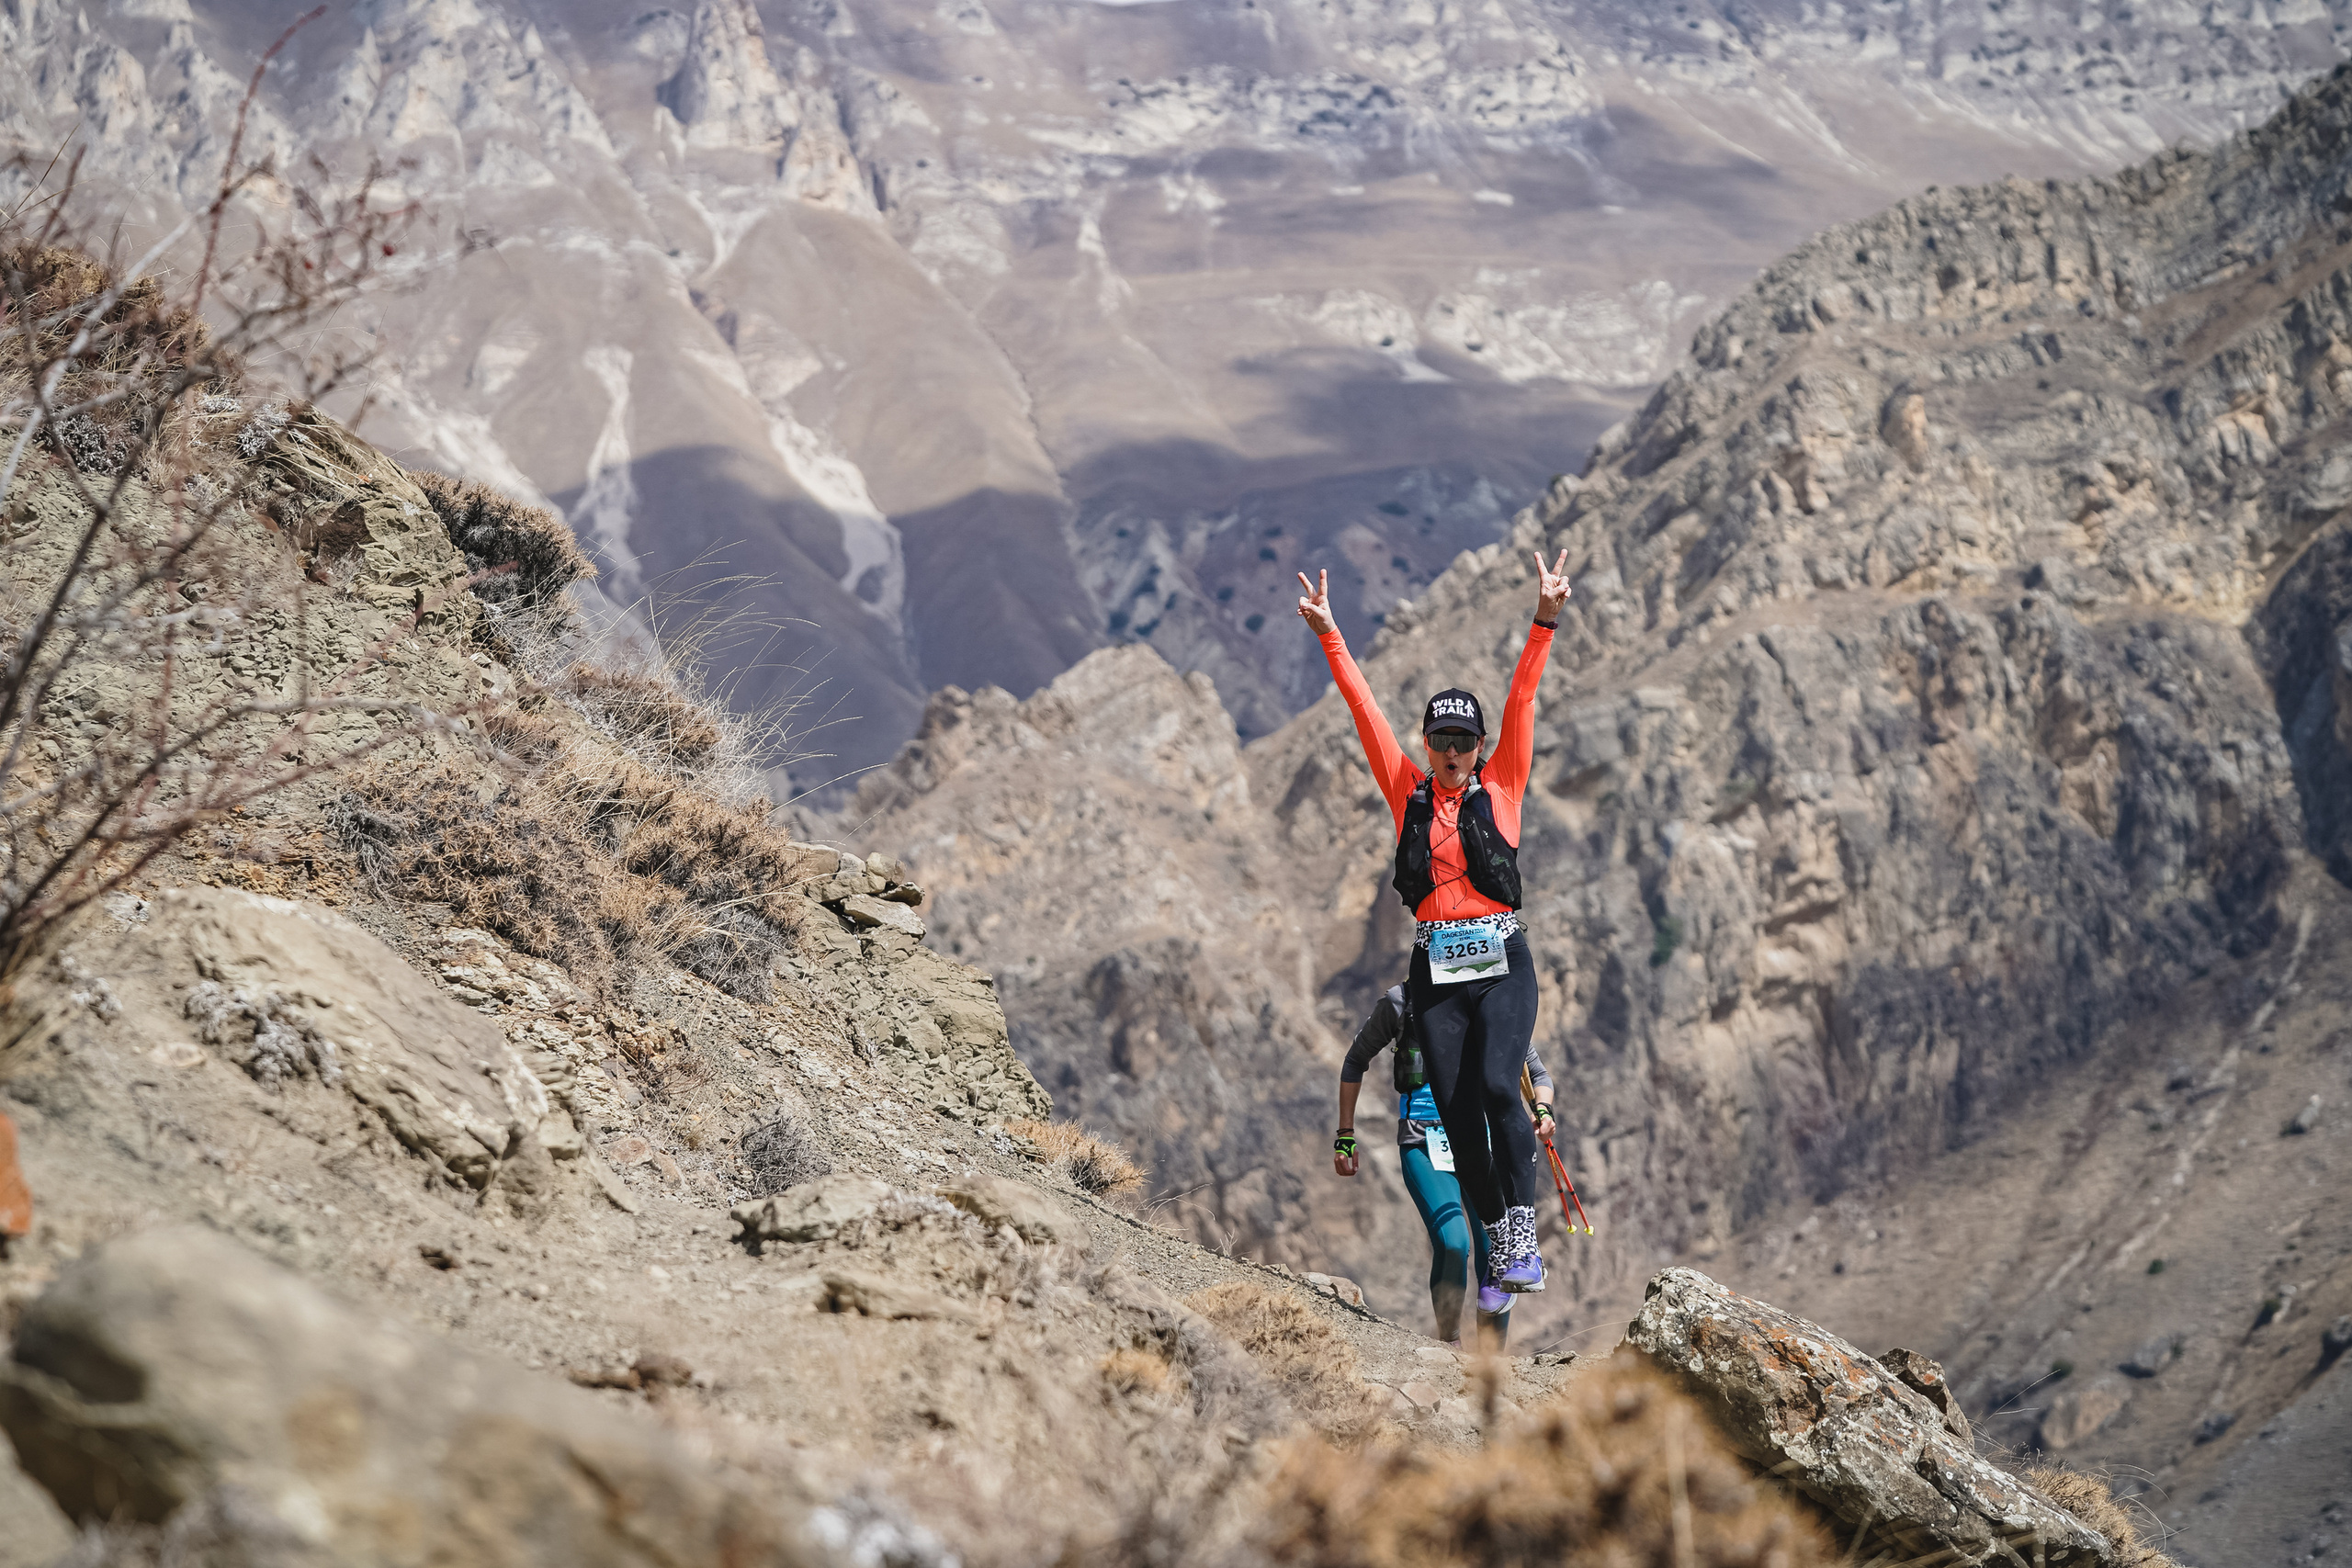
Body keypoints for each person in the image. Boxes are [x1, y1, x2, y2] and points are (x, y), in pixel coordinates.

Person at [1297, 551, 1569, 1302]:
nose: (1452, 755)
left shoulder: (1505, 781)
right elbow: (1364, 712)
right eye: (1440, 742)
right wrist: (1330, 633)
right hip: (1437, 969)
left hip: (1502, 959)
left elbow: (1523, 698)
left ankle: (1521, 1230)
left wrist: (1544, 618)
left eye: (1465, 743)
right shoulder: (1407, 791)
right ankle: (1497, 1237)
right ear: (1425, 745)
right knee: (1452, 1110)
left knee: (1492, 1085)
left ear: (1480, 746)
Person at [1333, 982, 1555, 1344]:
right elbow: (1356, 1059)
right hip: (1424, 1142)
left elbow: (1537, 1073)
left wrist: (1542, 1109)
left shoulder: (1490, 1000)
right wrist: (1345, 1134)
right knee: (1453, 1243)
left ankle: (1489, 1365)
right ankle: (1449, 1345)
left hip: (1484, 1146)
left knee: (1496, 1251)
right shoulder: (1401, 1002)